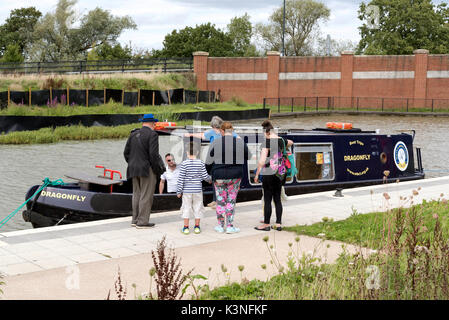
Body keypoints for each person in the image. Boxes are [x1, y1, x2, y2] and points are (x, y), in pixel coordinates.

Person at [206, 121, 251, 234]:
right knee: (231, 200)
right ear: (232, 131)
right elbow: (248, 156)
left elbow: (208, 161)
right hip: (235, 176)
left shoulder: (216, 142)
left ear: (221, 131)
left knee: (220, 201)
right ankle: (230, 226)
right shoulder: (239, 142)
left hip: (219, 175)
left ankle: (220, 226)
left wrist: (209, 174)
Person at [124, 113, 164, 229]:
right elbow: (153, 155)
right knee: (146, 195)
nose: (155, 125)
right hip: (147, 169)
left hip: (133, 168)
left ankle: (135, 219)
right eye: (154, 124)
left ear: (143, 122)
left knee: (136, 194)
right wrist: (157, 170)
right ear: (152, 123)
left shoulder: (133, 134)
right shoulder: (153, 135)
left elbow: (126, 153)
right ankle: (142, 222)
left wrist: (132, 163)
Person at [254, 120, 293, 231]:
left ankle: (266, 224)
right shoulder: (281, 140)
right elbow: (291, 142)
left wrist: (257, 174)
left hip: (269, 173)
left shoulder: (266, 142)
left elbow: (262, 161)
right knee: (277, 199)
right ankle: (278, 224)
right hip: (280, 173)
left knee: (267, 198)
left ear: (266, 132)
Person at [177, 141, 212, 235]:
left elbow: (181, 179)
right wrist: (210, 180)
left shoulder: (184, 164)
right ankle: (197, 227)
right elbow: (205, 176)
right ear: (197, 152)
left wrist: (179, 191)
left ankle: (186, 228)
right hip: (197, 190)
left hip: (187, 190)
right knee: (198, 207)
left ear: (187, 152)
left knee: (186, 207)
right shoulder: (200, 163)